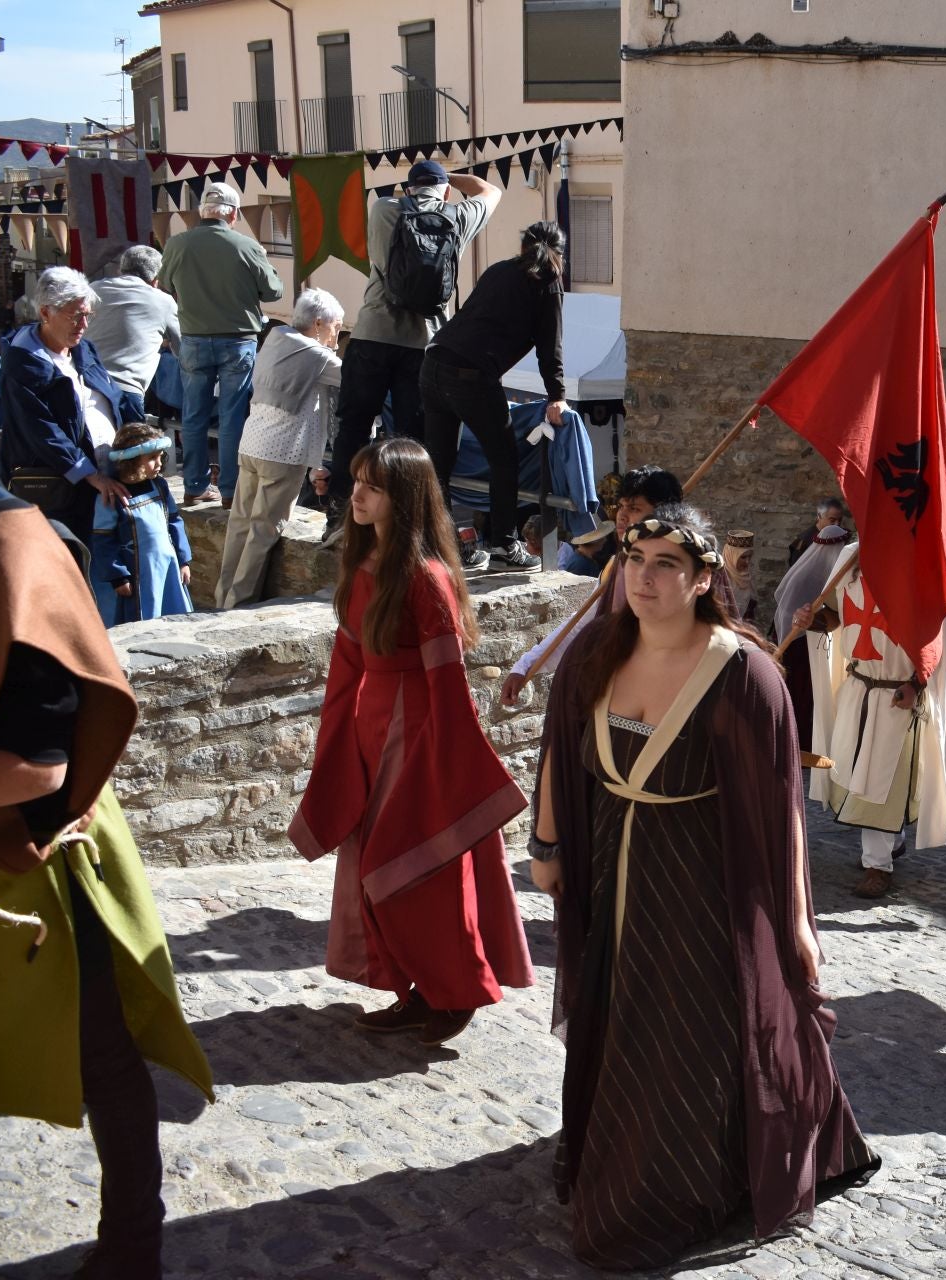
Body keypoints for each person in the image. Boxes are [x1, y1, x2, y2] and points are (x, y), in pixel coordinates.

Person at [0, 307, 212, 1280]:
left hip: (36, 855)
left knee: (102, 1056)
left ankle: (133, 1246)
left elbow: (38, 765)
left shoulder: (13, 552)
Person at [533, 503, 878, 1268]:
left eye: (666, 565)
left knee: (684, 1037)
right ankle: (616, 1155)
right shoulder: (595, 652)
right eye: (635, 560)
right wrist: (547, 843)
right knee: (617, 1022)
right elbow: (560, 750)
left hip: (700, 891)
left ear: (701, 581)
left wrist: (797, 921)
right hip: (610, 875)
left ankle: (671, 1188)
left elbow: (780, 809)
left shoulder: (744, 675)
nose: (644, 577)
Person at [289, 437, 533, 1047]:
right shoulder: (363, 565)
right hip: (372, 733)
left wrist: (446, 769)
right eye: (357, 481)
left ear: (403, 498)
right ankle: (413, 986)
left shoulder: (427, 578)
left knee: (420, 866)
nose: (357, 495)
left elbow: (446, 682)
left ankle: (458, 989)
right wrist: (338, 743)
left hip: (418, 737)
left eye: (372, 486)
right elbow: (347, 664)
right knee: (375, 864)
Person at [330, 162, 501, 530]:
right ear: (446, 192)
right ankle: (408, 522)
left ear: (409, 189)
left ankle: (341, 516)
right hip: (424, 345)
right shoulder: (457, 216)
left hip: (372, 335)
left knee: (354, 427)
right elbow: (490, 191)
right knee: (413, 442)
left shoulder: (383, 209)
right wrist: (449, 176)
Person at [795, 562, 946, 899]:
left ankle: (877, 866)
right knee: (856, 776)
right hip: (858, 688)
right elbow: (835, 614)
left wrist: (916, 683)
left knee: (880, 783)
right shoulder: (850, 562)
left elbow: (936, 635)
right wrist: (812, 619)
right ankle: (892, 843)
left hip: (896, 696)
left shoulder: (920, 568)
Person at [420, 220, 563, 572]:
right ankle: (504, 546)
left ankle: (441, 545)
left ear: (522, 246)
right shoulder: (547, 282)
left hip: (433, 362)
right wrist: (556, 395)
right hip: (471, 374)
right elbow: (550, 347)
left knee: (438, 464)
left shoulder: (499, 269)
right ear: (560, 253)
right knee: (504, 460)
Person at [500, 464, 684, 707]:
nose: (622, 516)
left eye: (634, 508)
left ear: (662, 514)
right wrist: (525, 665)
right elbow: (582, 623)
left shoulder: (684, 571)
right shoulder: (616, 566)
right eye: (622, 506)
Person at [159, 181, 285, 505]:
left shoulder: (177, 244)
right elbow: (274, 291)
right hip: (237, 340)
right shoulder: (247, 246)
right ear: (233, 214)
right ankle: (230, 492)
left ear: (203, 211)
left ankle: (194, 486)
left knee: (193, 414)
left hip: (194, 339)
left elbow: (166, 283)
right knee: (232, 416)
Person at [0, 267, 139, 550]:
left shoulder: (84, 349)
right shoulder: (22, 365)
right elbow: (41, 431)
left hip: (102, 479)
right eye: (75, 316)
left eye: (87, 315)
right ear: (45, 313)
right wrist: (91, 475)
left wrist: (137, 441)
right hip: (58, 490)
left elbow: (114, 397)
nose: (83, 324)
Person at [218, 288, 344, 608]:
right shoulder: (316, 355)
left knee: (240, 524)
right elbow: (352, 379)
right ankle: (237, 603)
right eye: (336, 327)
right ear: (318, 323)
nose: (337, 335)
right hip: (283, 452)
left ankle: (222, 596)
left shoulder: (275, 340)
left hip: (252, 443)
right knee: (262, 531)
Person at [90, 424, 193, 625]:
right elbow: (103, 540)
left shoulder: (160, 486)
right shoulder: (111, 497)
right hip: (138, 576)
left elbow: (174, 521)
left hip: (169, 568)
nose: (159, 464)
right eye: (152, 458)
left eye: (161, 457)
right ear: (131, 461)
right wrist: (118, 576)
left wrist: (183, 560)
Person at [775, 519, 856, 753]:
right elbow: (788, 608)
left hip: (820, 644)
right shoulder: (807, 576)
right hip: (801, 645)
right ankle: (797, 743)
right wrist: (804, 622)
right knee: (801, 696)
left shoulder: (839, 575)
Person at [86, 245, 181, 422]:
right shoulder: (163, 301)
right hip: (126, 390)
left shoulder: (93, 289)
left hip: (86, 384)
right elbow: (183, 351)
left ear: (120, 270)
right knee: (130, 441)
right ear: (156, 279)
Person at [789, 496, 848, 564]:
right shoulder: (804, 540)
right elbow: (797, 567)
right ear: (819, 516)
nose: (837, 524)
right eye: (832, 520)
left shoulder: (841, 536)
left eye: (840, 520)